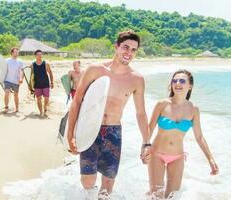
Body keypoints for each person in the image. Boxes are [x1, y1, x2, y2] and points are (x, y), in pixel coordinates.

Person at [67, 31, 151, 199]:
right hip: (90, 128)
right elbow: (77, 102)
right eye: (125, 47)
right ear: (116, 47)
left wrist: (147, 142)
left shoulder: (137, 79)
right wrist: (71, 134)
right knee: (87, 182)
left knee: (108, 184)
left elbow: (141, 113)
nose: (129, 52)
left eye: (133, 50)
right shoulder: (95, 70)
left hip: (114, 133)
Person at [147, 69, 219, 198]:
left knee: (172, 196)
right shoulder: (162, 104)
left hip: (177, 157)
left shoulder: (193, 109)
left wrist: (211, 159)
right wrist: (145, 147)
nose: (177, 83)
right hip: (156, 154)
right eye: (174, 80)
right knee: (156, 196)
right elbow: (149, 129)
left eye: (182, 80)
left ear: (190, 86)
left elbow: (199, 137)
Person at [31, 50, 54, 117]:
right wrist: (30, 86)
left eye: (41, 54)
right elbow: (29, 75)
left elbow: (50, 73)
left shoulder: (46, 64)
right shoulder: (33, 65)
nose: (40, 56)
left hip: (46, 84)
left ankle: (45, 108)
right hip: (37, 85)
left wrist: (52, 82)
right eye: (38, 54)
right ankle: (41, 112)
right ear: (36, 56)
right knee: (38, 99)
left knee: (46, 98)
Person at [3, 47, 24, 113]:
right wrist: (1, 78)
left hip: (16, 81)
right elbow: (3, 70)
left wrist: (21, 78)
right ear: (12, 53)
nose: (17, 53)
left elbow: (22, 71)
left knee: (16, 95)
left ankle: (17, 108)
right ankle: (6, 107)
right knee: (7, 92)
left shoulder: (20, 61)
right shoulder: (6, 60)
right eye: (16, 52)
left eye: (18, 52)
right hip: (7, 80)